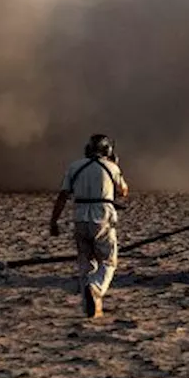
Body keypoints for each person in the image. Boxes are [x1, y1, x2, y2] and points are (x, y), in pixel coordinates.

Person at [48, 133, 129, 318]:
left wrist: (54, 221)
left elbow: (62, 196)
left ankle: (90, 306)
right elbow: (123, 191)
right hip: (102, 218)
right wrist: (116, 166)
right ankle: (96, 288)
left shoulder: (74, 167)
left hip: (80, 218)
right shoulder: (111, 167)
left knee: (85, 262)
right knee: (108, 260)